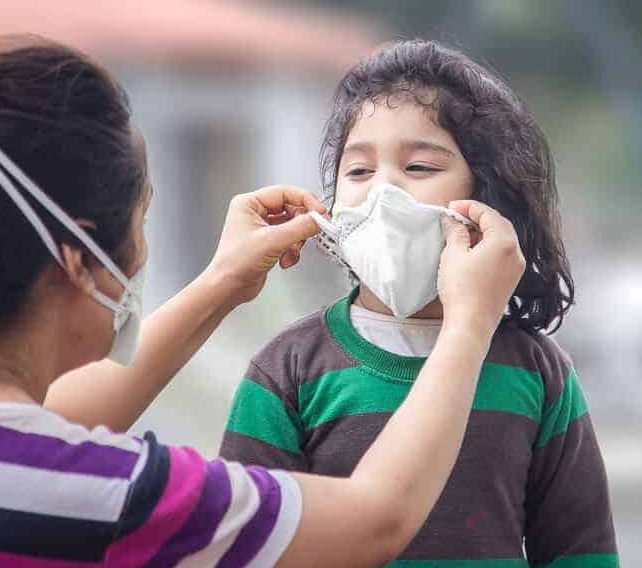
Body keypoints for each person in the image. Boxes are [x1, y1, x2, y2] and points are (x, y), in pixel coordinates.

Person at [0, 35, 526, 567]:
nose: (140, 255)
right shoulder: (105, 496)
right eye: (141, 219)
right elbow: (373, 521)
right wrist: (470, 321)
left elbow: (29, 435)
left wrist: (221, 285)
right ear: (79, 260)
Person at [219, 40, 618, 567]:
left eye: (421, 167)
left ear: (489, 200)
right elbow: (241, 548)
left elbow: (580, 552)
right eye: (359, 172)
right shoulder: (287, 371)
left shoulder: (538, 373)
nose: (383, 189)